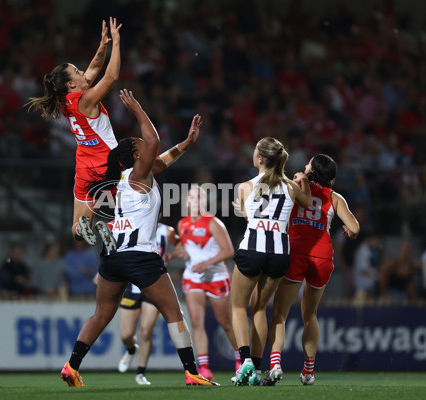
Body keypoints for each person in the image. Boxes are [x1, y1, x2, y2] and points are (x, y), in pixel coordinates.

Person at [59, 89, 218, 387]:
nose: (148, 147)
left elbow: (162, 159)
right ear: (135, 155)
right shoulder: (138, 175)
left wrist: (186, 143)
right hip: (141, 256)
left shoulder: (121, 180)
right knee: (173, 312)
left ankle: (71, 365)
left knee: (101, 314)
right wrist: (137, 109)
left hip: (113, 258)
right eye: (142, 146)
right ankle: (191, 372)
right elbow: (155, 142)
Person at [261, 154, 359, 387]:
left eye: (309, 163)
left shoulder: (295, 186)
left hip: (296, 252)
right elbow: (354, 227)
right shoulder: (335, 197)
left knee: (280, 315)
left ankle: (275, 365)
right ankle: (308, 372)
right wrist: (349, 231)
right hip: (323, 256)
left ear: (313, 170)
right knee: (310, 315)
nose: (305, 165)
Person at [26, 18, 122, 245]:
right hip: (108, 162)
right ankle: (109, 226)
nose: (83, 72)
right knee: (133, 207)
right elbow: (111, 77)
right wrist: (116, 44)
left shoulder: (67, 100)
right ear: (71, 83)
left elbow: (95, 68)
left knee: (77, 230)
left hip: (84, 166)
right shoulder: (86, 99)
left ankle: (87, 228)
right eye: (77, 72)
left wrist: (103, 45)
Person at [230, 137, 311, 386]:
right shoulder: (291, 187)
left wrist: (242, 211)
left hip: (253, 248)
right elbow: (307, 202)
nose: (253, 153)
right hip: (279, 253)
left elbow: (250, 220)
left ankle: (244, 361)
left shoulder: (244, 187)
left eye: (255, 151)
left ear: (261, 159)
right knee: (260, 309)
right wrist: (305, 180)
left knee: (238, 307)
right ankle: (255, 367)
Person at [173, 186, 239, 381]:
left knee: (225, 323)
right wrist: (180, 252)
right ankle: (204, 368)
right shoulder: (182, 224)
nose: (195, 202)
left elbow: (229, 251)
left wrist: (206, 263)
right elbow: (188, 248)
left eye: (199, 198)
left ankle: (240, 360)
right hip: (193, 278)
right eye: (192, 198)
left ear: (204, 202)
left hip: (216, 278)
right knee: (196, 323)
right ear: (186, 203)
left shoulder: (213, 223)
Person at [117, 215, 180, 385]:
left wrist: (171, 255)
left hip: (154, 285)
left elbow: (183, 248)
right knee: (126, 335)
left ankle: (140, 373)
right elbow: (116, 251)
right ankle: (131, 349)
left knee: (145, 331)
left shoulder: (167, 231)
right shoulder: (130, 226)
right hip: (132, 286)